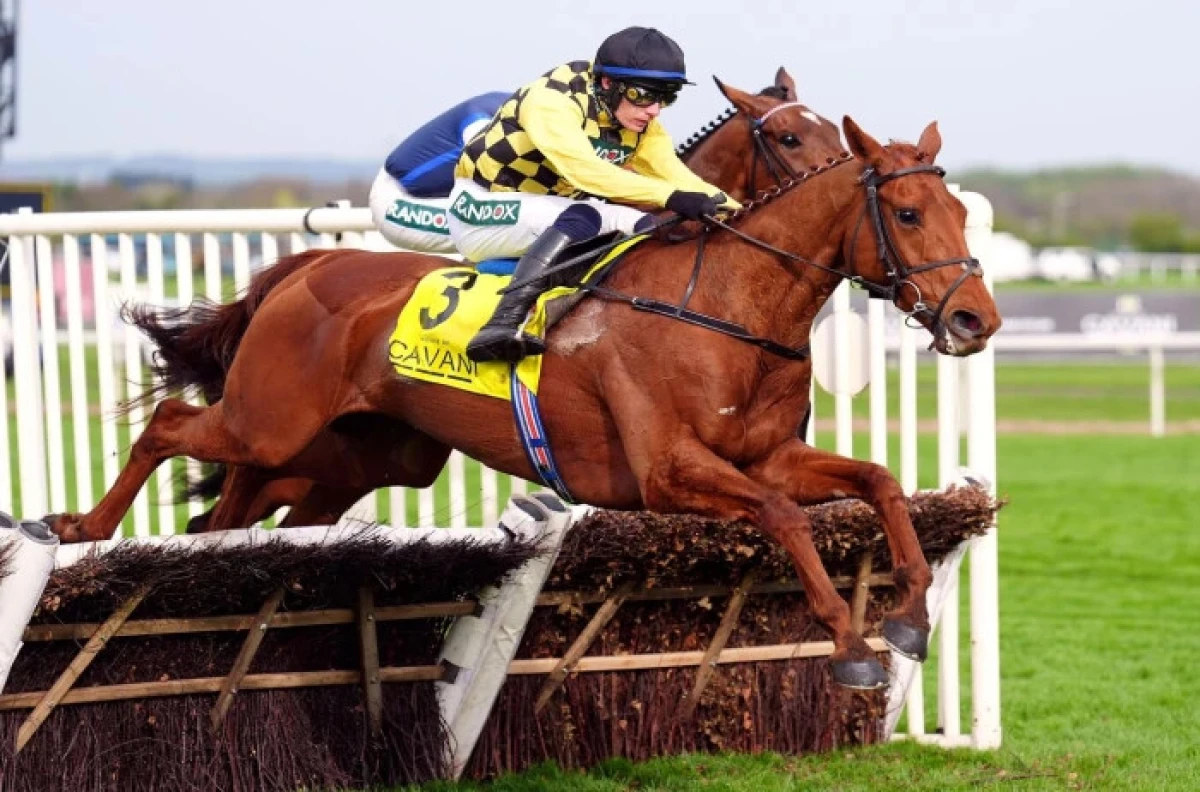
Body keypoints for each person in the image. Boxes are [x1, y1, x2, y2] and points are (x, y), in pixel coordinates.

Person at [449, 26, 739, 363]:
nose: (654, 110)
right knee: (593, 214)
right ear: (607, 84)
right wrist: (671, 196)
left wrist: (742, 213)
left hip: (548, 214)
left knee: (651, 225)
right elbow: (586, 173)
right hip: (478, 209)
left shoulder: (642, 127)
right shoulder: (550, 102)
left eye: (667, 96)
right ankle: (500, 326)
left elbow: (682, 179)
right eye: (644, 95)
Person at [368, 91, 509, 253]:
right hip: (398, 201)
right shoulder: (482, 121)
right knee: (507, 228)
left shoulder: (511, 106)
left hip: (434, 196)